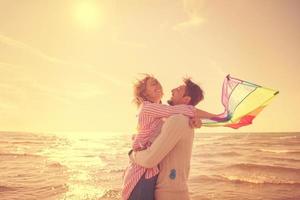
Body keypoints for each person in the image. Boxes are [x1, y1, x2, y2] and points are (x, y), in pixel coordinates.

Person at [122, 74, 217, 200]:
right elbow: (187, 110)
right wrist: (216, 117)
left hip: (148, 173)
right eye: (153, 83)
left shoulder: (173, 118)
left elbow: (186, 111)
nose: (171, 90)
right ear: (144, 93)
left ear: (186, 99)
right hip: (140, 173)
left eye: (178, 90)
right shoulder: (150, 108)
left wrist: (200, 120)